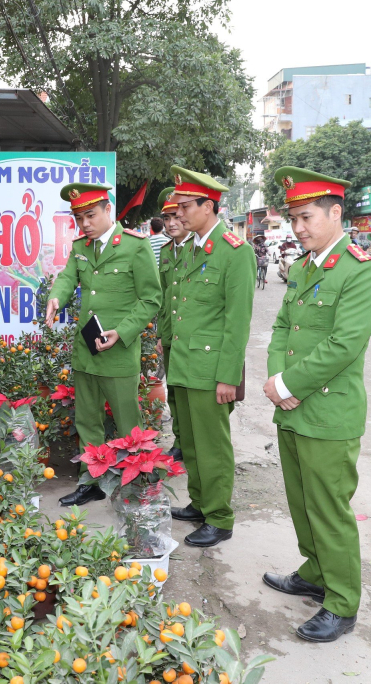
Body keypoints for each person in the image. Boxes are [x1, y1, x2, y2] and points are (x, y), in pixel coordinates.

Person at [262, 166, 371, 643]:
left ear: (336, 214)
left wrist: (289, 383)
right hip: (291, 405)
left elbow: (343, 345)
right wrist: (276, 380)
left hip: (329, 411)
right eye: (293, 218)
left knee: (329, 508)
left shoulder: (361, 271)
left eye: (307, 217)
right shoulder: (304, 267)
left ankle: (342, 602)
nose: (298, 228)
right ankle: (314, 572)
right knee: (301, 501)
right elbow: (281, 329)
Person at [45, 183, 161, 507]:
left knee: (128, 423)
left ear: (108, 209)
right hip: (87, 351)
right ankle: (91, 481)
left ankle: (139, 485)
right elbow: (69, 277)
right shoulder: (81, 246)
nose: (84, 223)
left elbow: (152, 299)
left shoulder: (136, 247)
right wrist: (56, 297)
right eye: (79, 217)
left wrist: (122, 332)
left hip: (119, 351)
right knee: (87, 420)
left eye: (90, 215)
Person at [165, 166, 254, 549]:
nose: (179, 213)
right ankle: (200, 504)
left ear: (209, 206)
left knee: (213, 447)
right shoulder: (190, 248)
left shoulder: (236, 252)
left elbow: (237, 323)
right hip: (183, 365)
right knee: (192, 444)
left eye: (186, 206)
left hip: (210, 369)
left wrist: (228, 377)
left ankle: (219, 517)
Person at [154, 187, 192, 462]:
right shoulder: (167, 251)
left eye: (176, 216)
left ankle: (193, 440)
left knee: (193, 394)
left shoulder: (199, 249)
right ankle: (180, 439)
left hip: (192, 338)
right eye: (166, 218)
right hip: (169, 335)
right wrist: (159, 334)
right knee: (175, 392)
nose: (171, 223)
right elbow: (162, 296)